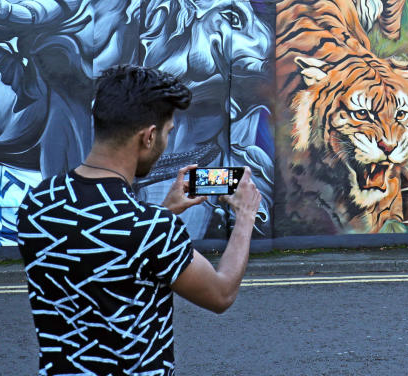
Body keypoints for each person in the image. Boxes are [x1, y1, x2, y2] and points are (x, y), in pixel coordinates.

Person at [17, 65, 262, 376]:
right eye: (168, 132)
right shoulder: (152, 230)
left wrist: (163, 212)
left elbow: (103, 246)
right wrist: (245, 215)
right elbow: (221, 293)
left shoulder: (37, 204)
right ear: (148, 136)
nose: (166, 144)